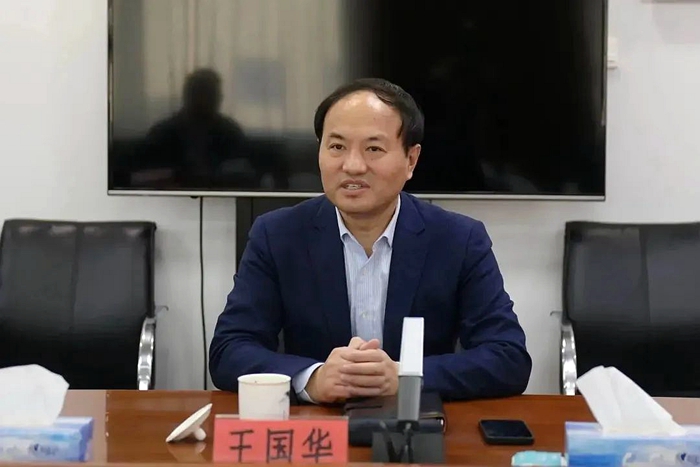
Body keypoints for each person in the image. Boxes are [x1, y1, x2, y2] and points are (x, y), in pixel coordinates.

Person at [209, 78, 531, 403]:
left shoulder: (459, 240)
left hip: (417, 424)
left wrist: (406, 376)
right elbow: (229, 350)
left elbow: (508, 357)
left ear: (411, 160)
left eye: (373, 149)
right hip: (318, 424)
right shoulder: (277, 235)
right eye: (337, 147)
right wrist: (313, 378)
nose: (352, 166)